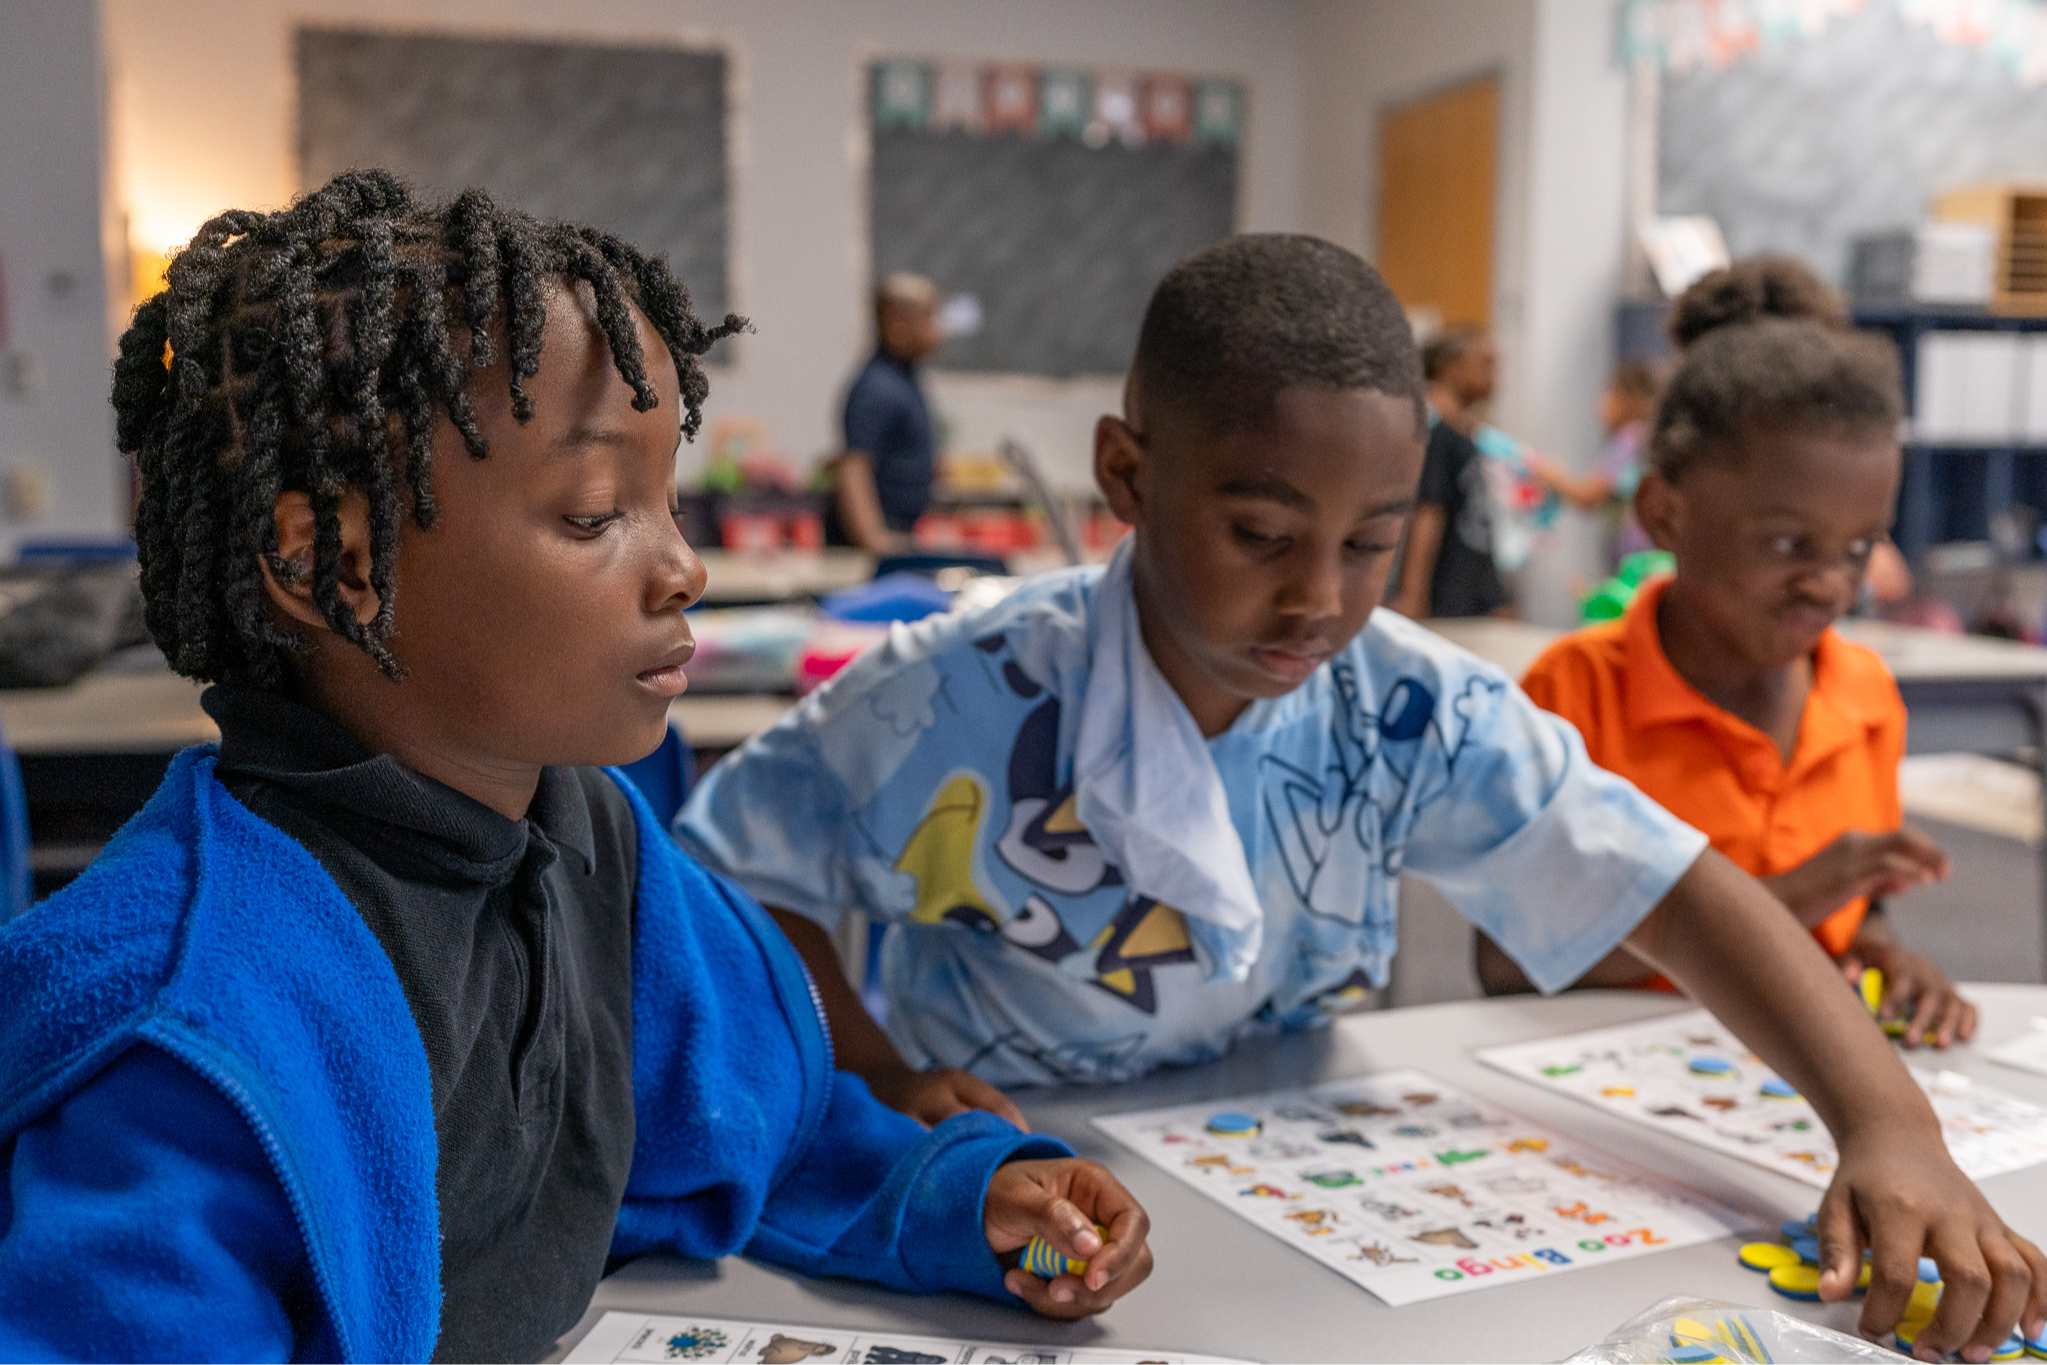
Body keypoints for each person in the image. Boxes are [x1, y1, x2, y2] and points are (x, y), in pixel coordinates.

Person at [681, 234, 2045, 1357]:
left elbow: (1672, 891)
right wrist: (870, 1067)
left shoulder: (1403, 704)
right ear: (1126, 475)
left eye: (1370, 544)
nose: (1319, 598)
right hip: (1031, 1155)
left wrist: (1885, 1125)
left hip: (1288, 1156)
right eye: (1261, 534)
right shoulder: (951, 694)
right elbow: (734, 876)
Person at [0, 173, 1152, 1364]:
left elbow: (754, 1115)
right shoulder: (195, 1019)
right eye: (600, 514)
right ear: (336, 565)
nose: (683, 569)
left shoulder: (590, 833)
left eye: (669, 501)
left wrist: (955, 1196)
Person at [1478, 273, 1972, 1052]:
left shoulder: (1864, 694)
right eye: (1786, 544)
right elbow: (1507, 962)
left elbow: (1854, 905)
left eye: (1857, 548)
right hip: (1612, 1080)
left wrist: (1879, 951)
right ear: (1663, 512)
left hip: (1791, 1089)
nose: (1827, 582)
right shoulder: (1574, 692)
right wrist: (1802, 890)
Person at [1387, 329, 1510, 618]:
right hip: (1446, 596)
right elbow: (1430, 511)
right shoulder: (1436, 433)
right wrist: (1413, 595)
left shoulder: (1467, 434)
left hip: (1473, 592)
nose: (1494, 375)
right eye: (1484, 363)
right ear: (1450, 368)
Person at [831, 272, 942, 552]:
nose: (937, 330)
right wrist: (875, 540)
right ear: (896, 322)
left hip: (905, 532)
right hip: (882, 541)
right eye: (928, 318)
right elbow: (854, 469)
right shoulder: (877, 387)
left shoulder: (905, 379)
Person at [1534, 358, 1662, 571]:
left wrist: (1552, 476)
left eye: (1610, 392)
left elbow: (1589, 497)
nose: (1601, 402)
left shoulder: (1629, 440)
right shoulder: (1649, 437)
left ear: (1629, 400)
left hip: (1640, 563)